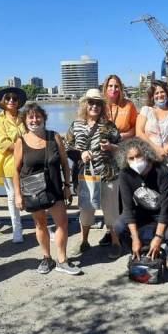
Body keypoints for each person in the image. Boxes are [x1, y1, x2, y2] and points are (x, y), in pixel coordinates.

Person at [13, 104, 81, 275]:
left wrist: (67, 186)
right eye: (31, 117)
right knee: (40, 223)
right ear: (25, 120)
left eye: (38, 117)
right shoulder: (21, 141)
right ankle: (46, 258)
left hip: (55, 187)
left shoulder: (54, 137)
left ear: (44, 119)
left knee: (62, 222)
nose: (35, 120)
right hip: (32, 190)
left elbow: (65, 163)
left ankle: (62, 260)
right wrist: (18, 195)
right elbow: (15, 170)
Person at [65, 89, 122, 259]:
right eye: (91, 102)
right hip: (85, 176)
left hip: (108, 174)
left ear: (102, 106)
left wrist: (111, 147)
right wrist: (80, 153)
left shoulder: (109, 126)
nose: (94, 106)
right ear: (85, 104)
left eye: (98, 103)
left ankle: (116, 242)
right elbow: (67, 148)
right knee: (86, 210)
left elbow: (121, 148)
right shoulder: (76, 125)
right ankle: (84, 241)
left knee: (111, 212)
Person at [114, 137, 168, 270]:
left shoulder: (162, 171)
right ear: (126, 160)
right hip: (143, 213)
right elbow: (128, 209)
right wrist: (134, 238)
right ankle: (139, 251)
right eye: (131, 158)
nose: (136, 161)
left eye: (138, 156)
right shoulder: (125, 174)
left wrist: (158, 237)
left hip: (166, 212)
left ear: (146, 154)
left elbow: (165, 207)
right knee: (119, 225)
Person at [98, 75, 138, 246]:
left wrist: (120, 136)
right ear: (105, 88)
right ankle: (110, 230)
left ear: (121, 88)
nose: (113, 89)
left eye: (117, 86)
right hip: (105, 156)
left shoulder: (128, 105)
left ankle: (126, 229)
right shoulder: (101, 106)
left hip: (123, 152)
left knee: (124, 192)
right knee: (108, 195)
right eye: (110, 86)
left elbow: (136, 128)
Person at [0, 87, 27, 243]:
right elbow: (2, 143)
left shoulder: (24, 117)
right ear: (3, 102)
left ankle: (42, 225)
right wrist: (25, 146)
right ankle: (16, 229)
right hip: (9, 163)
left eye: (14, 98)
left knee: (34, 193)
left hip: (28, 162)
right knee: (12, 197)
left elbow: (33, 133)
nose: (11, 101)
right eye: (8, 99)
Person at [135, 80, 168, 187]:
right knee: (148, 191)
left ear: (167, 94)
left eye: (162, 92)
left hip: (166, 157)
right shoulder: (146, 110)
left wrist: (163, 152)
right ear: (152, 97)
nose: (159, 95)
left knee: (166, 190)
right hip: (147, 156)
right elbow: (139, 132)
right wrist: (157, 151)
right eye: (156, 93)